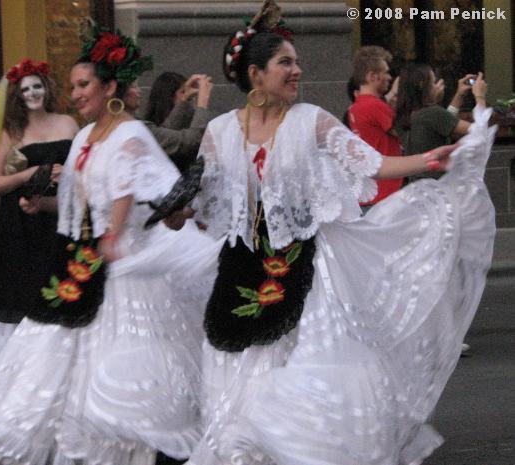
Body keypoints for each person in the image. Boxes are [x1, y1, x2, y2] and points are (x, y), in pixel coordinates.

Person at [168, 1, 495, 464]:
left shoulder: (310, 120)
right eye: (286, 62)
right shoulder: (219, 132)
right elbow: (206, 207)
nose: (298, 70)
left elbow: (372, 162)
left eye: (297, 61)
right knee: (241, 380)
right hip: (244, 271)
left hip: (312, 271)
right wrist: (176, 214)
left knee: (317, 372)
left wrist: (428, 160)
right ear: (256, 73)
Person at [0, 26, 221, 465]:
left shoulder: (130, 134)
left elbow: (143, 193)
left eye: (84, 84)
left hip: (121, 271)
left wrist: (129, 228)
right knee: (53, 358)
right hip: (77, 265)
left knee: (122, 371)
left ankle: (125, 445)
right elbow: (80, 198)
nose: (75, 94)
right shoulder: (85, 138)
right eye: (72, 86)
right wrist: (44, 204)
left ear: (110, 87)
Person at [0, 58, 78, 380]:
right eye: (25, 89)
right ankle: (19, 374)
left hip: (59, 220)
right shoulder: (12, 132)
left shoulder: (68, 124)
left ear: (45, 89)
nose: (32, 93)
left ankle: (57, 367)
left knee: (60, 290)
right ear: (17, 96)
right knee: (19, 291)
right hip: (19, 225)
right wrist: (32, 173)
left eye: (37, 86)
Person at [396, 63, 487, 180]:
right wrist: (480, 96)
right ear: (422, 85)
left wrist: (459, 94)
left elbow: (444, 122)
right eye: (433, 82)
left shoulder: (405, 114)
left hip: (417, 184)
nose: (438, 85)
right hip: (439, 185)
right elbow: (481, 130)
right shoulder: (431, 113)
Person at [124, 71, 213, 173]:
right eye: (132, 87)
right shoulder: (135, 129)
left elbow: (166, 132)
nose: (138, 91)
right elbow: (189, 141)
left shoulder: (133, 126)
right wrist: (202, 102)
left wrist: (185, 99)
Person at [348, 46, 403, 211]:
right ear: (372, 76)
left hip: (371, 192)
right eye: (386, 72)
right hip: (386, 193)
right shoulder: (375, 106)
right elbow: (406, 133)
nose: (389, 77)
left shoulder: (356, 106)